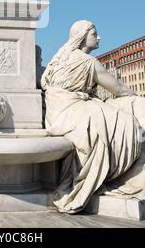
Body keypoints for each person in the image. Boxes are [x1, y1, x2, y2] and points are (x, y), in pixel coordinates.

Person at [41, 20, 145, 214]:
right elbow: (118, 88)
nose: (98, 37)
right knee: (125, 122)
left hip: (56, 111)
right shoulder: (88, 61)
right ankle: (119, 175)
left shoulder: (60, 56)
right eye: (94, 34)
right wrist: (135, 100)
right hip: (72, 108)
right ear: (82, 37)